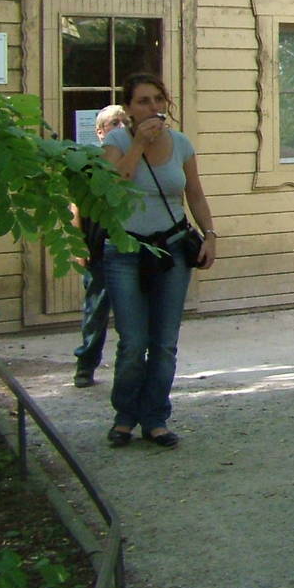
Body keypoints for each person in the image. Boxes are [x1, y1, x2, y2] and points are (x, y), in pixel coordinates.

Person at [99, 75, 217, 448]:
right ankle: (124, 417)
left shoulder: (181, 144)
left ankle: (155, 417)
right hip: (126, 251)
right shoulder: (117, 142)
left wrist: (210, 234)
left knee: (164, 341)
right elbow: (114, 186)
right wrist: (138, 143)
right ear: (129, 109)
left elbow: (194, 194)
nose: (152, 108)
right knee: (133, 341)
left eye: (157, 100)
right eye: (142, 102)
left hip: (171, 249)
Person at [72, 103, 129, 387]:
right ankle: (85, 365)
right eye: (114, 123)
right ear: (99, 131)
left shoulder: (135, 160)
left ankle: (129, 369)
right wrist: (79, 247)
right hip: (97, 247)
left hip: (130, 246)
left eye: (124, 123)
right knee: (96, 310)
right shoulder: (87, 162)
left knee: (131, 314)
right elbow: (76, 207)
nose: (120, 128)